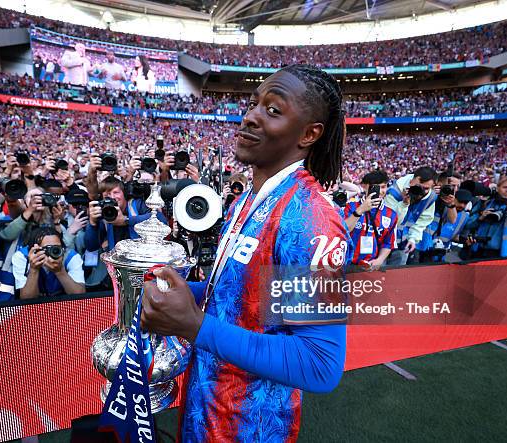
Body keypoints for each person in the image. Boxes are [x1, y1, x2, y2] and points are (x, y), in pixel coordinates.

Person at [141, 64, 352, 442]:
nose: (251, 116)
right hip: (203, 412)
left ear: (309, 133)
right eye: (254, 104)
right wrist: (185, 293)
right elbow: (243, 297)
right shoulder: (246, 200)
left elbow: (320, 363)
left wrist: (194, 325)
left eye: (273, 110)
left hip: (249, 428)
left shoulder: (311, 220)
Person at [344, 170, 398, 270]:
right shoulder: (350, 207)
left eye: (383, 187)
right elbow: (343, 231)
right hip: (346, 263)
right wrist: (360, 210)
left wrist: (380, 260)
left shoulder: (391, 214)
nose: (381, 191)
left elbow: (388, 243)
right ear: (364, 186)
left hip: (371, 266)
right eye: (376, 187)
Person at [11, 226, 85, 298]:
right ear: (36, 250)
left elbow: (80, 295)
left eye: (56, 248)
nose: (52, 252)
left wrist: (60, 271)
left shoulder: (70, 256)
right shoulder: (23, 257)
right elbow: (27, 299)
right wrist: (34, 270)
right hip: (35, 307)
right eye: (47, 248)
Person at [384, 166, 438, 265]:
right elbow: (389, 221)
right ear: (411, 180)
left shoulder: (430, 198)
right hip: (384, 238)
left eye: (426, 188)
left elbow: (421, 222)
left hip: (404, 242)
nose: (421, 191)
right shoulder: (395, 191)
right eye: (418, 186)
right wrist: (404, 204)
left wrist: (413, 239)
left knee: (396, 273)